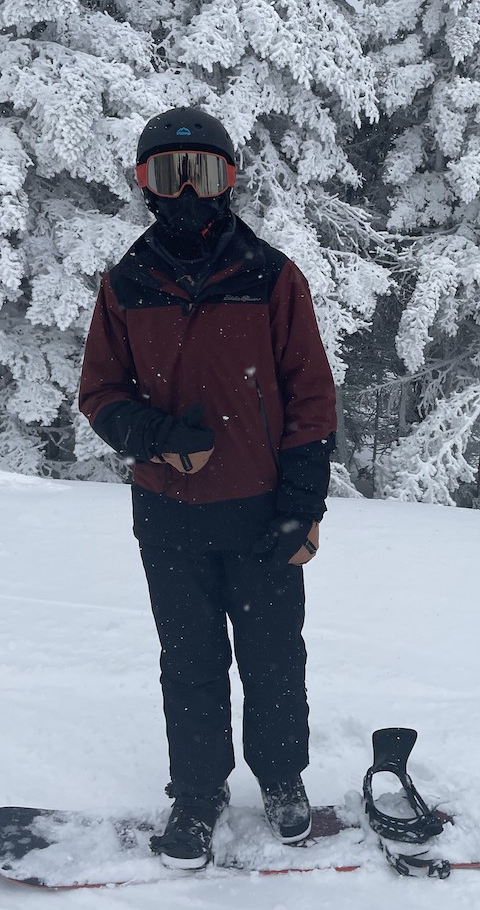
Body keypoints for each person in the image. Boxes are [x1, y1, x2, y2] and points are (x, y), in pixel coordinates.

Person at [79, 107, 336, 870]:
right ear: (144, 186)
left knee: (273, 657)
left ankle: (283, 779)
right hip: (169, 516)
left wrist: (302, 507)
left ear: (230, 181)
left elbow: (311, 398)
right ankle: (197, 795)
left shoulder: (272, 277)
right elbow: (100, 394)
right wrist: (155, 439)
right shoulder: (126, 284)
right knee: (189, 662)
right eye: (168, 173)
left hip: (261, 514)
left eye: (203, 172)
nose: (186, 191)